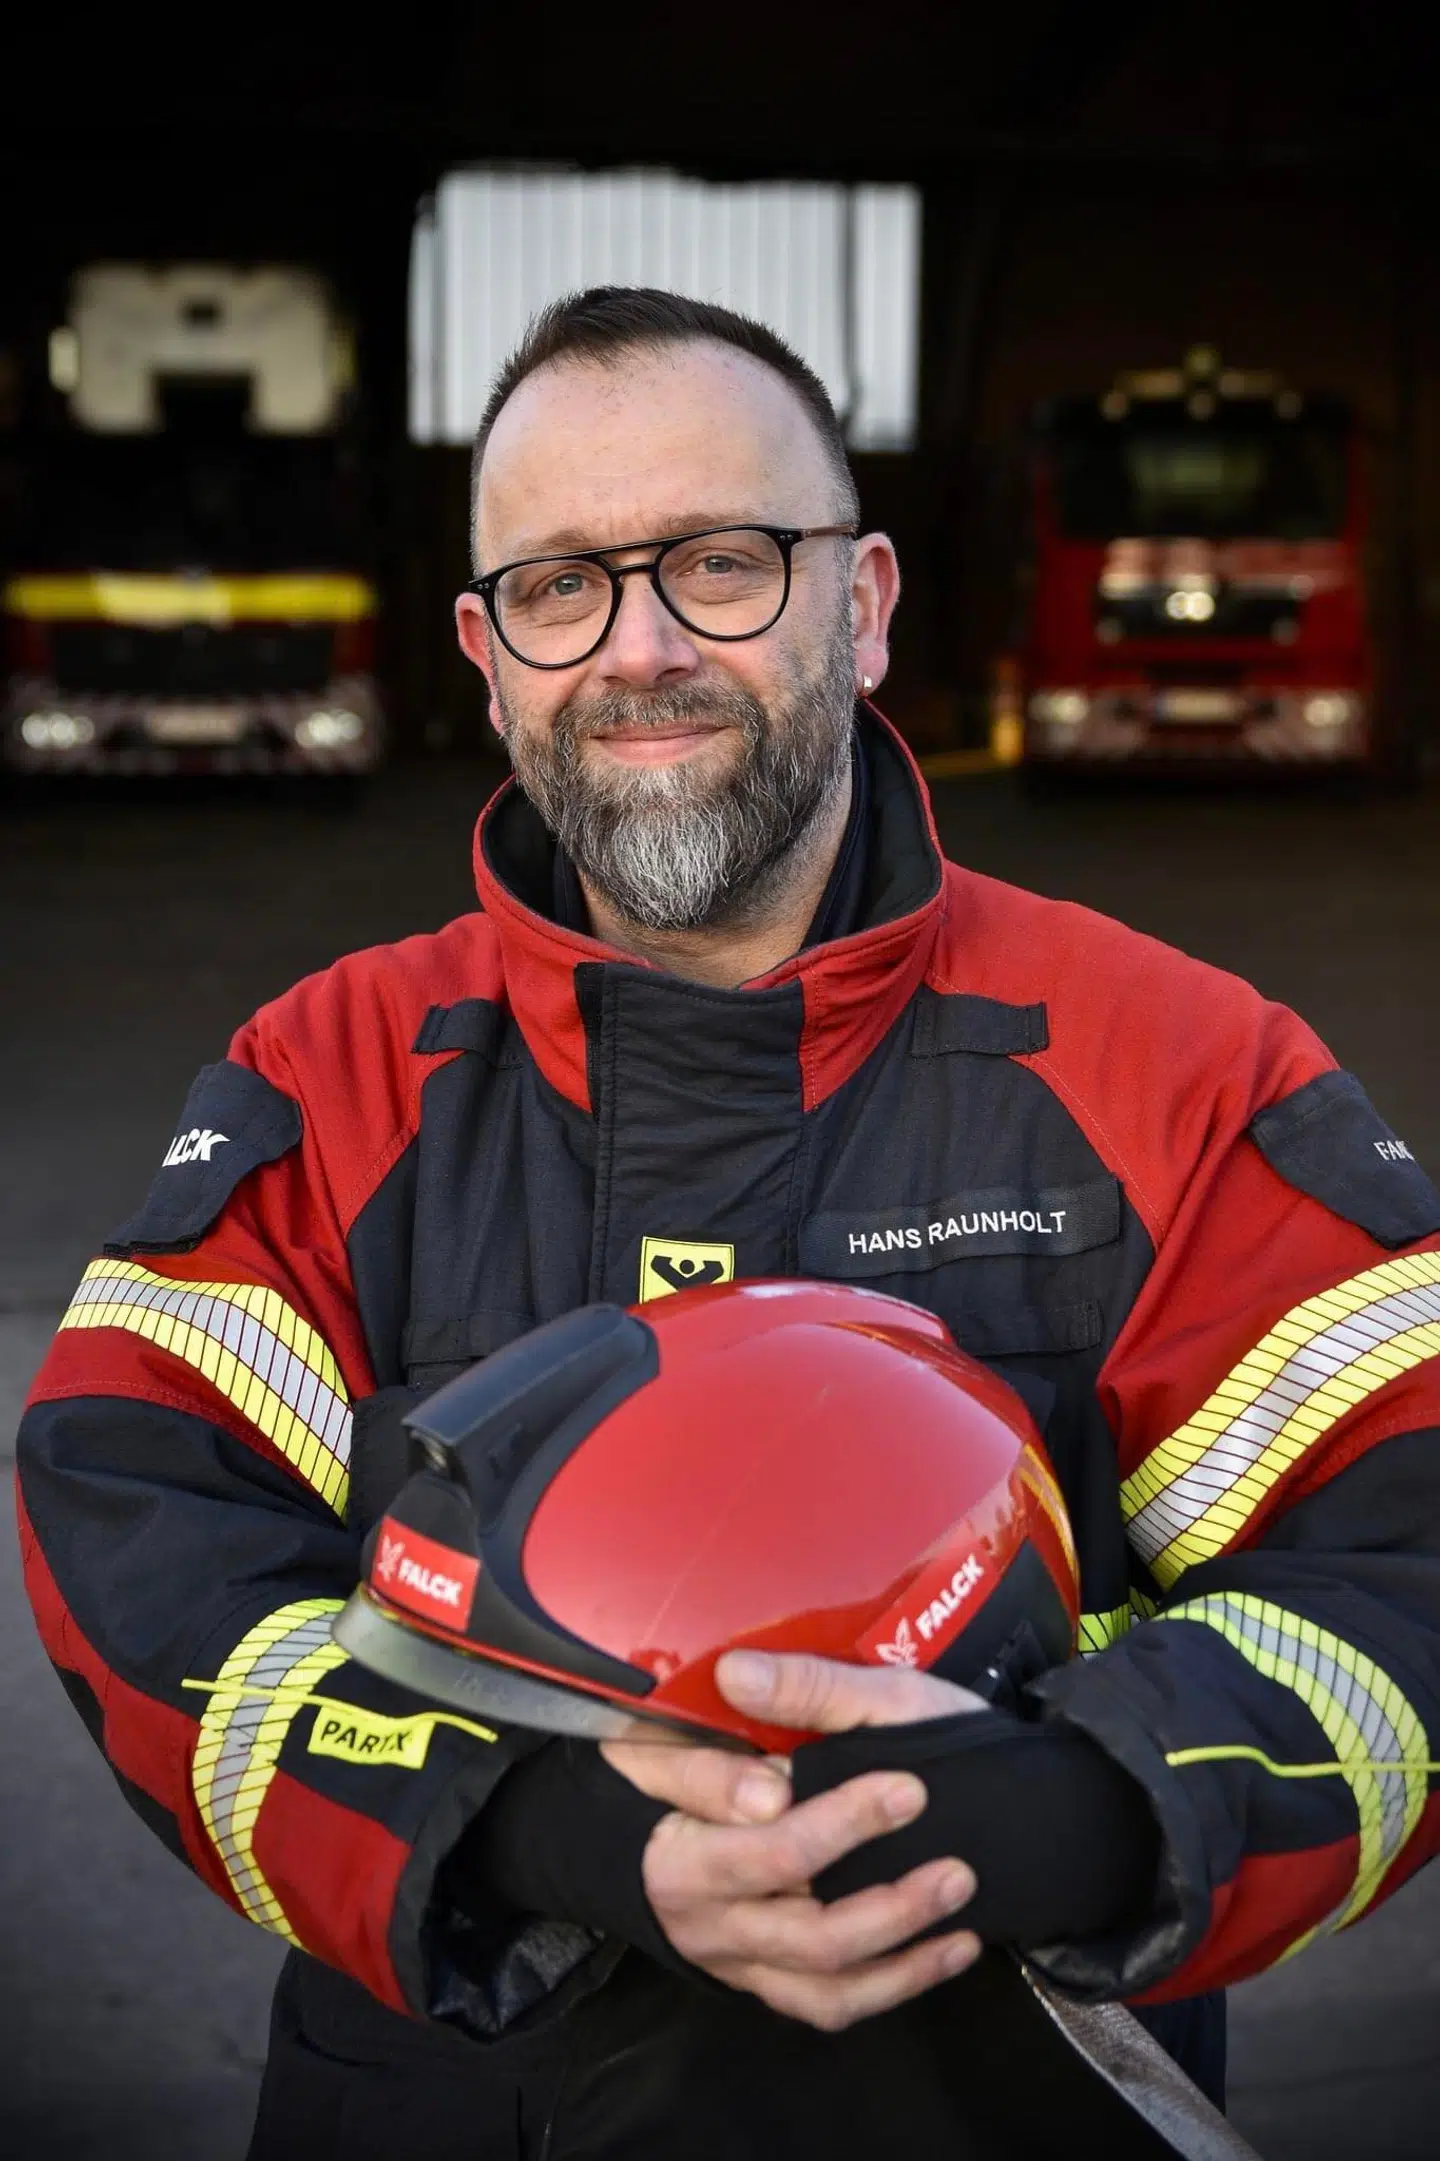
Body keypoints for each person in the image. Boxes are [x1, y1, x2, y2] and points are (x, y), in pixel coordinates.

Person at [16, 286, 1440, 2160]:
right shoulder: (331, 1078)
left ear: (861, 605)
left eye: (721, 562)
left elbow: (1402, 1551)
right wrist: (535, 1825)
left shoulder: (1177, 1068)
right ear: (490, 652)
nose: (643, 650)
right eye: (563, 588)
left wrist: (1071, 1810)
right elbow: (139, 1531)